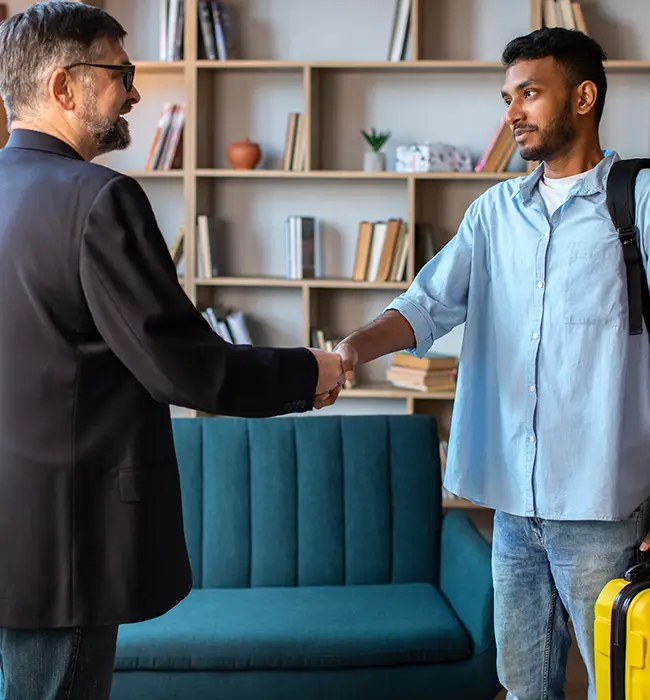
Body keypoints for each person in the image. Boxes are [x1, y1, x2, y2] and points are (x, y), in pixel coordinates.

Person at [0, 3, 344, 698]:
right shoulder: (100, 199)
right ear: (63, 86)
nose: (134, 91)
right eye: (121, 72)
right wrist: (312, 370)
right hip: (66, 544)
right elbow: (185, 365)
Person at [331, 27, 650, 700]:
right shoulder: (494, 213)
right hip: (510, 510)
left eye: (530, 93)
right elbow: (425, 305)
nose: (512, 114)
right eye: (508, 97)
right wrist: (351, 349)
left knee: (621, 688)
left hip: (604, 509)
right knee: (523, 686)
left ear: (585, 96)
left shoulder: (639, 202)